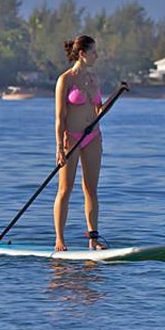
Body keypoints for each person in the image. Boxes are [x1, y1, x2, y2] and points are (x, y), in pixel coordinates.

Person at [53, 35, 127, 251]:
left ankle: (93, 240)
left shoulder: (94, 78)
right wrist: (59, 147)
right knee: (65, 190)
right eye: (94, 51)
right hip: (71, 139)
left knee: (90, 189)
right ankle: (60, 239)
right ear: (83, 54)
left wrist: (118, 92)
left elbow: (99, 111)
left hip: (93, 137)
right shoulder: (65, 80)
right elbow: (59, 117)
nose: (97, 55)